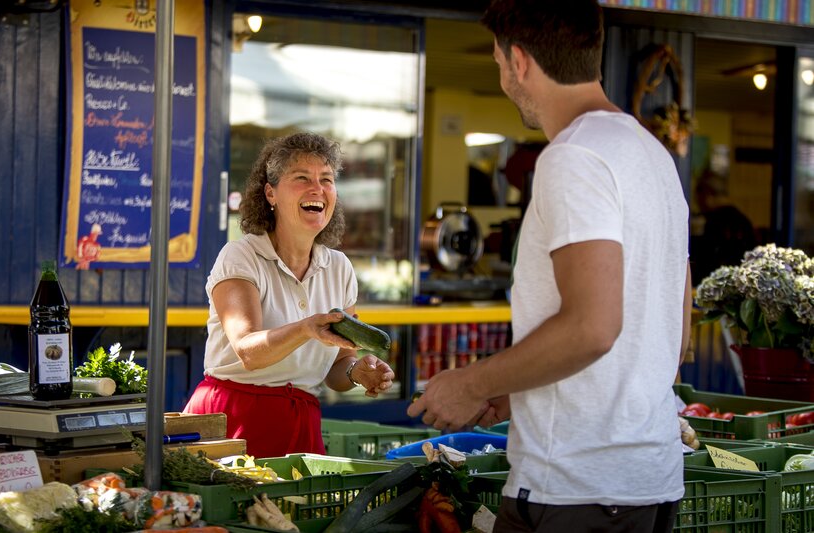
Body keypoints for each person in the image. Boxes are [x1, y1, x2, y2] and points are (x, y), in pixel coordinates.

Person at [407, 1, 691, 532]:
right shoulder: (651, 155)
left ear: (519, 60)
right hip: (646, 483)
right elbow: (669, 337)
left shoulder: (574, 157)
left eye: (496, 62)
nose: (502, 78)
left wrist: (472, 382)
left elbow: (593, 328)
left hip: (575, 491)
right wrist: (516, 391)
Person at [183, 132, 395, 458]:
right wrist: (307, 328)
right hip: (232, 419)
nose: (317, 188)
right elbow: (248, 351)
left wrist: (355, 372)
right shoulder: (241, 256)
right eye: (302, 178)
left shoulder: (339, 267)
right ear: (270, 193)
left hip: (301, 423)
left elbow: (339, 364)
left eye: (326, 179)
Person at [690, 171, 756, 283]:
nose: (698, 203)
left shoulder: (715, 221)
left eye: (698, 197)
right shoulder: (742, 220)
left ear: (708, 195)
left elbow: (707, 258)